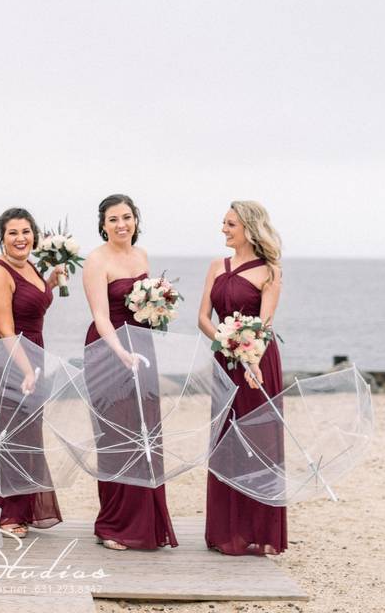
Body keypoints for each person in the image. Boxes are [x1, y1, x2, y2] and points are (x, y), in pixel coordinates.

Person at [82, 194, 177, 550]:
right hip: (108, 350)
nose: (121, 224)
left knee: (145, 432)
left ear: (136, 219)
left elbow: (146, 307)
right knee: (117, 436)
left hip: (142, 347)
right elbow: (101, 316)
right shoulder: (96, 260)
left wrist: (158, 314)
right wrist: (120, 350)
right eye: (113, 219)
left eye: (127, 217)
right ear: (103, 224)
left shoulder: (142, 256)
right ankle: (113, 525)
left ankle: (147, 523)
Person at [197, 200, 287, 555]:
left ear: (248, 227)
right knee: (226, 439)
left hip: (259, 362)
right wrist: (227, 343)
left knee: (259, 438)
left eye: (230, 223)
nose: (223, 229)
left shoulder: (270, 271)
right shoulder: (217, 265)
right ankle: (226, 532)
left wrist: (252, 359)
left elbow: (264, 326)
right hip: (226, 359)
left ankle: (260, 532)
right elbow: (203, 316)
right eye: (223, 222)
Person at [0, 207, 64, 537]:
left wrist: (49, 284)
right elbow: (6, 330)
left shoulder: (30, 267)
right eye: (12, 233)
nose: (20, 238)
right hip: (2, 360)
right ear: (2, 238)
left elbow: (31, 307)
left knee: (25, 434)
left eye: (25, 231)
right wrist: (28, 370)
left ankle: (20, 508)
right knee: (2, 434)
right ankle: (3, 512)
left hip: (30, 356)